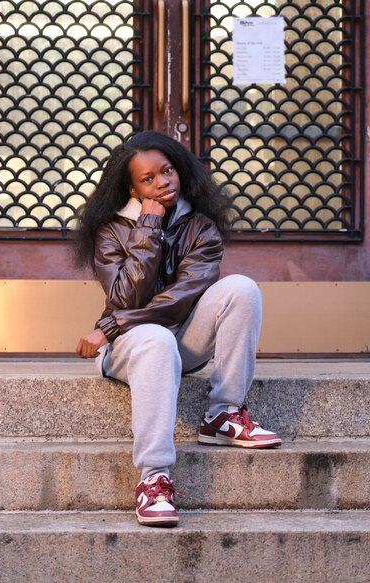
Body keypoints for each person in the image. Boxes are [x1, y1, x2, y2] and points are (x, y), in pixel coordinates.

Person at [74, 130, 281, 528]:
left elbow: (185, 296)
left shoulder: (201, 228)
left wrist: (109, 325)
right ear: (131, 188)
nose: (162, 182)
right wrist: (148, 226)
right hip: (132, 346)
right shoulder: (111, 231)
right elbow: (126, 299)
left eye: (167, 171)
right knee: (153, 337)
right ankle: (154, 476)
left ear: (180, 170)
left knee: (241, 289)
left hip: (177, 339)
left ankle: (223, 413)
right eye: (147, 179)